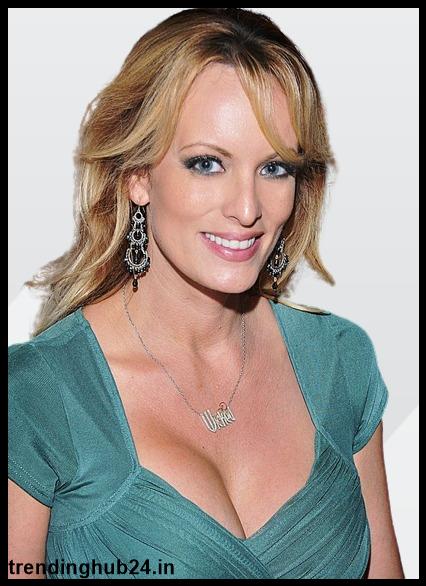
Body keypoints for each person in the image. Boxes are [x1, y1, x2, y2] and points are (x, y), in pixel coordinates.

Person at [8, 8, 404, 580]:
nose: (246, 208)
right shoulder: (37, 398)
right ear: (137, 175)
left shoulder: (340, 362)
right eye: (207, 164)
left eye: (274, 168)